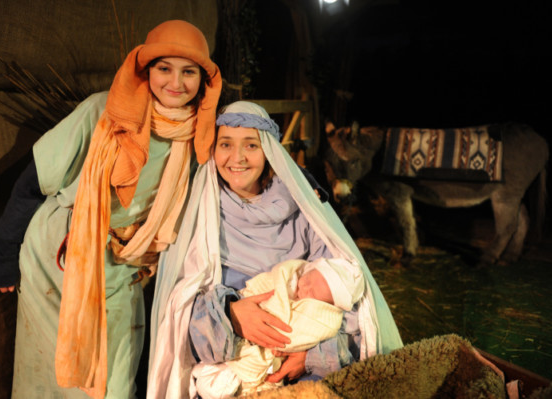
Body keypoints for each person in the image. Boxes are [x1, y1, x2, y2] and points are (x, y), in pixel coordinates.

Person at [0, 20, 222, 399]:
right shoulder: (105, 110)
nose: (176, 82)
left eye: (188, 71)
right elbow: (34, 181)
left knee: (115, 379)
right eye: (165, 68)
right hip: (62, 254)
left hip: (124, 260)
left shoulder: (198, 133)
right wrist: (3, 254)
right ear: (146, 70)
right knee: (54, 378)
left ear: (204, 80)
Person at [147, 101, 403, 399]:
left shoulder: (304, 209)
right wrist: (229, 316)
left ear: (268, 150)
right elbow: (176, 305)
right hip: (229, 365)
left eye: (251, 145)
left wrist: (311, 355)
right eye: (225, 144)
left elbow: (348, 291)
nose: (237, 158)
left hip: (301, 366)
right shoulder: (200, 212)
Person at [191, 257, 366, 398]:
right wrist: (233, 311)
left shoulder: (320, 319)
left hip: (271, 364)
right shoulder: (286, 277)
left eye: (312, 294)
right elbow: (260, 288)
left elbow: (298, 334)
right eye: (308, 279)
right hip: (233, 327)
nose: (303, 288)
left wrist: (309, 356)